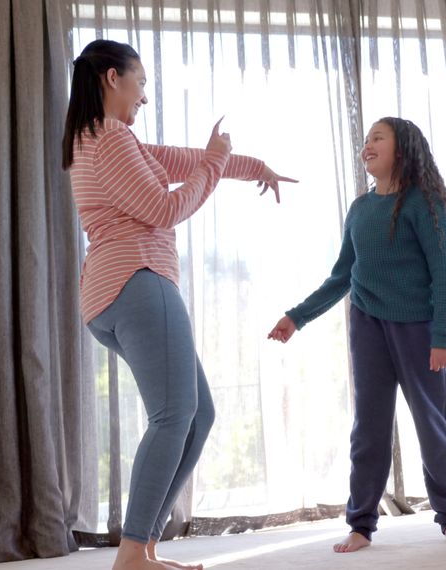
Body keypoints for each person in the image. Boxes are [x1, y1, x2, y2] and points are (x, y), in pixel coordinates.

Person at [63, 39, 295, 570]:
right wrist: (213, 167)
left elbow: (190, 161)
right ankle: (131, 555)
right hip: (137, 280)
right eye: (141, 81)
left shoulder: (109, 141)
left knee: (196, 414)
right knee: (174, 415)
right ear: (111, 78)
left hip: (116, 292)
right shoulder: (110, 139)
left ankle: (142, 546)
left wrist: (256, 166)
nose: (145, 95)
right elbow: (164, 208)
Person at [268, 117, 446, 553]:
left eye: (377, 138)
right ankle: (361, 523)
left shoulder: (424, 202)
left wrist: (444, 336)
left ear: (402, 148)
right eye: (365, 140)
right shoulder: (360, 209)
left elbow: (445, 274)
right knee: (369, 428)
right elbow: (342, 276)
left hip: (420, 329)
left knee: (433, 424)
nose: (368, 145)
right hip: (368, 327)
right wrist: (297, 316)